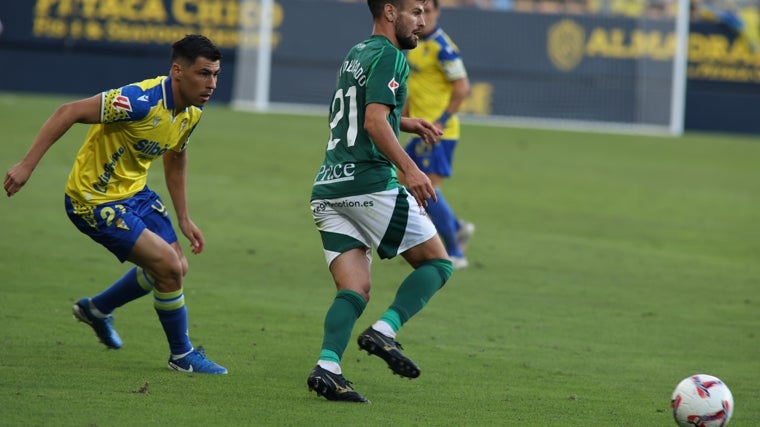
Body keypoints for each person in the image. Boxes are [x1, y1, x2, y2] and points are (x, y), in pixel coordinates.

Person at [4, 35, 227, 374]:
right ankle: (181, 356)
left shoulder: (191, 111)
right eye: (204, 74)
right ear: (177, 71)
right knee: (167, 266)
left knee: (177, 268)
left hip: (134, 193)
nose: (211, 84)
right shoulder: (138, 101)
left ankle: (96, 310)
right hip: (92, 199)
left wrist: (184, 216)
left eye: (215, 75)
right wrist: (26, 166)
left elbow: (176, 155)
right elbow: (69, 111)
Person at [306, 0, 453, 403]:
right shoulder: (391, 56)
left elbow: (354, 111)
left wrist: (402, 121)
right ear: (390, 12)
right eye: (416, 12)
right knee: (438, 263)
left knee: (354, 289)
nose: (422, 22)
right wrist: (410, 169)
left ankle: (328, 369)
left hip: (328, 186)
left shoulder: (358, 52)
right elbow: (372, 121)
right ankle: (385, 331)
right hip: (367, 183)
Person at [403, 0, 474, 270]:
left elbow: (463, 88)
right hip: (421, 129)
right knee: (404, 181)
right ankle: (456, 226)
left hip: (438, 133)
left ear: (437, 12)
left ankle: (455, 252)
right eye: (417, 12)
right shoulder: (415, 44)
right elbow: (415, 88)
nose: (423, 18)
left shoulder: (444, 48)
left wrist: (441, 121)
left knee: (427, 188)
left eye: (428, 12)